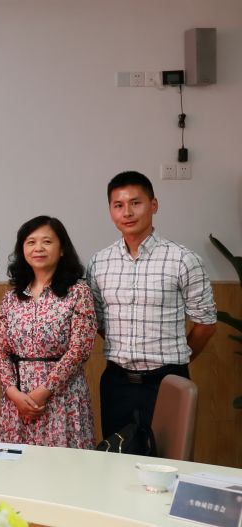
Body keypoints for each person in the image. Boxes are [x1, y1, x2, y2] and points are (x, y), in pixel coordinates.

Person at [86, 171, 216, 438]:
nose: (128, 212)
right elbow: (98, 320)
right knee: (116, 456)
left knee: (169, 459)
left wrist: (177, 358)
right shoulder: (99, 263)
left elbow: (206, 324)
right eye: (118, 205)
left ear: (153, 205)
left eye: (136, 203)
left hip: (168, 380)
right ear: (110, 210)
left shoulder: (183, 259)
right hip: (117, 381)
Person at [0, 216, 96, 448]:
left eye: (47, 242)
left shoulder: (78, 292)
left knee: (63, 472)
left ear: (61, 250)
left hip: (62, 397)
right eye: (30, 242)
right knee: (16, 471)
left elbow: (79, 350)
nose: (38, 248)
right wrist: (13, 393)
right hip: (17, 400)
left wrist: (42, 392)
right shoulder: (11, 297)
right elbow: (0, 351)